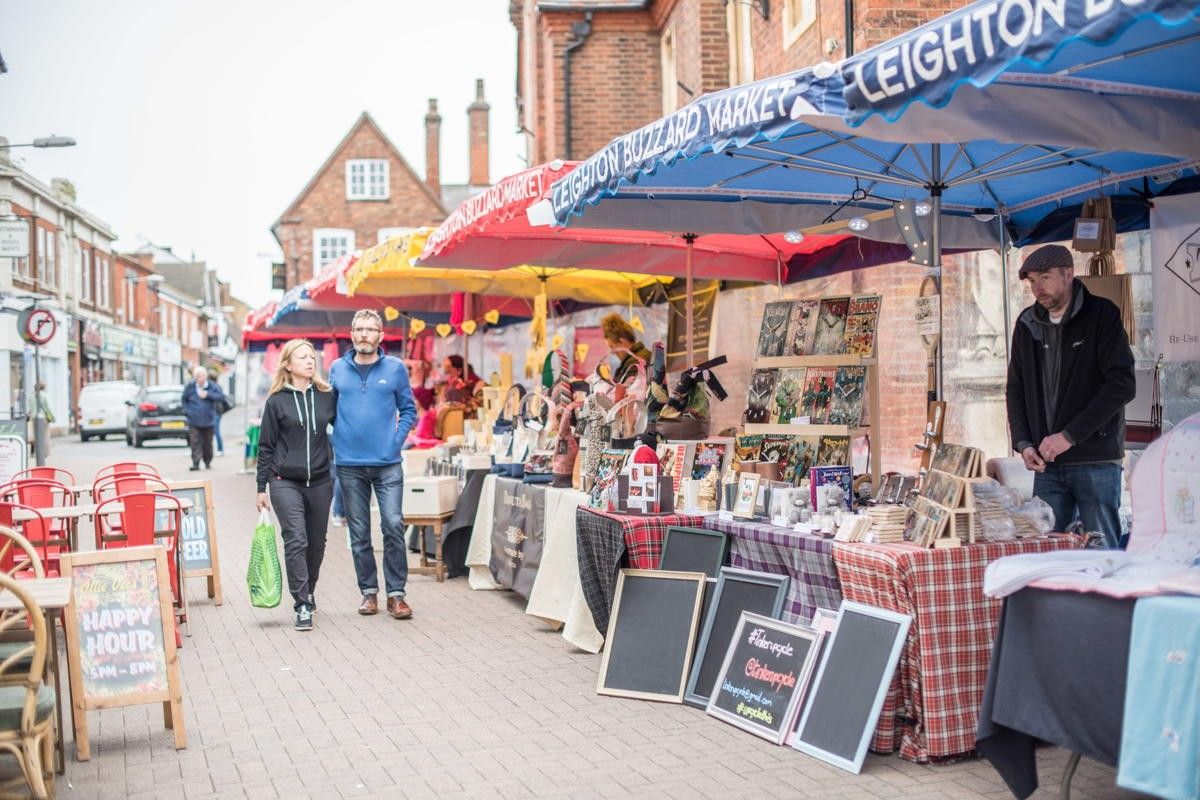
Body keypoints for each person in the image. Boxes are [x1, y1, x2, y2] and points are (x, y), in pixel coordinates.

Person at [1006, 244, 1136, 548]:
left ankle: (1109, 598)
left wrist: (1069, 435)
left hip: (1095, 458)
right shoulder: (1027, 323)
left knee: (1101, 551)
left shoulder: (1102, 315)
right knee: (1048, 551)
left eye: (1046, 278)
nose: (1038, 288)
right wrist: (1024, 443)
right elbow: (1015, 388)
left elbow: (1123, 384)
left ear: (1069, 274)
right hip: (1046, 462)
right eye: (1032, 281)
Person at [329, 309, 418, 618]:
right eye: (359, 329)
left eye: (370, 329)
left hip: (388, 463)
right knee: (359, 532)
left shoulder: (395, 369)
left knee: (393, 524)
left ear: (381, 335)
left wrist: (395, 441)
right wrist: (334, 441)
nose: (364, 334)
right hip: (349, 464)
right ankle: (369, 593)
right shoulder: (337, 369)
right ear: (352, 334)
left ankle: (397, 594)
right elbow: (327, 413)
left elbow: (409, 410)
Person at [255, 339, 336, 631]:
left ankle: (309, 590)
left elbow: (344, 430)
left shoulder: (327, 397)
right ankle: (301, 603)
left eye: (312, 357)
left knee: (316, 544)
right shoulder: (276, 402)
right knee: (296, 539)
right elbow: (265, 447)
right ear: (288, 364)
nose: (310, 361)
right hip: (284, 481)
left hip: (321, 481)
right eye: (303, 357)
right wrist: (260, 488)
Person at [182, 366, 227, 471]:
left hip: (209, 420)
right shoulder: (190, 386)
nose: (199, 379)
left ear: (205, 376)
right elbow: (184, 399)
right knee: (195, 442)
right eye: (196, 377)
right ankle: (196, 463)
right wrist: (187, 411)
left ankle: (207, 462)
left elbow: (221, 397)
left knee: (207, 442)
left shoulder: (212, 386)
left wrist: (208, 394)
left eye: (200, 376)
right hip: (194, 420)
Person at [601, 313, 652, 384]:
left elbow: (619, 392)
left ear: (622, 342)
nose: (612, 352)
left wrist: (605, 377)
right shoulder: (644, 355)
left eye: (612, 346)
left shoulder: (634, 363)